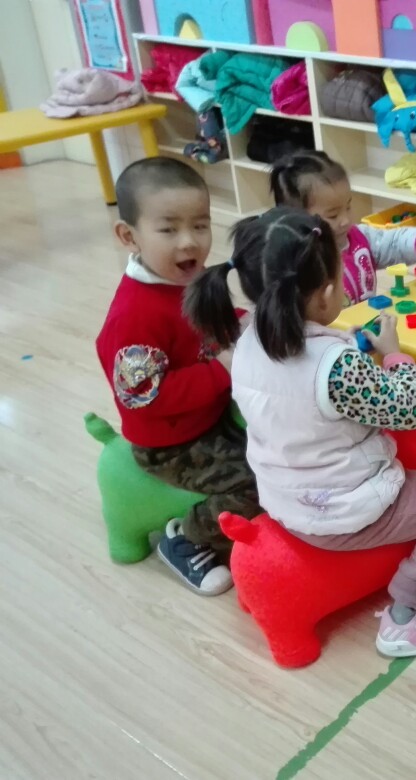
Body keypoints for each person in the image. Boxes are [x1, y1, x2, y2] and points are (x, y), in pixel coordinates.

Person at [185, 207, 416, 657]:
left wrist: (350, 353)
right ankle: (411, 620)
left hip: (283, 498)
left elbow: (300, 394)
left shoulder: (244, 339)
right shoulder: (336, 368)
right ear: (326, 294)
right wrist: (395, 355)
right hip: (339, 510)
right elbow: (409, 411)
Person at [95, 157, 261, 595]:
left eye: (200, 225)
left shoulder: (191, 278)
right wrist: (220, 369)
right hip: (172, 443)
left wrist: (246, 322)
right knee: (253, 484)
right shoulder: (135, 315)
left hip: (212, 415)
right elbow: (144, 396)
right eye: (168, 230)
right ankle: (185, 538)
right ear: (128, 236)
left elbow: (215, 318)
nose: (189, 242)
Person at [269, 149, 416, 388]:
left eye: (348, 207)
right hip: (338, 363)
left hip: (372, 338)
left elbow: (393, 241)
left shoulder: (358, 237)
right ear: (296, 220)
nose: (346, 220)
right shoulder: (298, 265)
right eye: (333, 215)